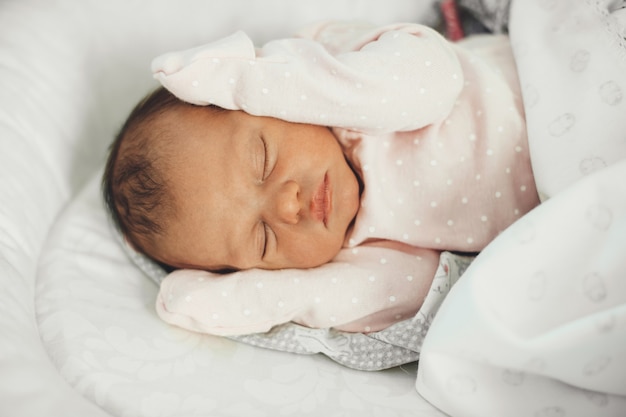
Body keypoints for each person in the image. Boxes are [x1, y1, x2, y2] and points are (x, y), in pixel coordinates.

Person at [103, 21, 540, 336]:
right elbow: (417, 288)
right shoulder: (353, 252)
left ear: (260, 100)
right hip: (571, 196)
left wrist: (253, 79)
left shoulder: (323, 70)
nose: (288, 206)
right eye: (262, 239)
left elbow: (434, 79)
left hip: (550, 86)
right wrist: (258, 298)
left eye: (262, 160)